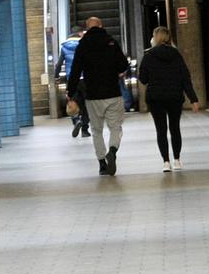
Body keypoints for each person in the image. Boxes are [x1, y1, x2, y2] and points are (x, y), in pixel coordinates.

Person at [67, 17, 130, 175]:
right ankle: (113, 151)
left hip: (93, 95)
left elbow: (75, 70)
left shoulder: (83, 45)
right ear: (101, 26)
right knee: (115, 127)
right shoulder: (111, 42)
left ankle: (102, 163)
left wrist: (70, 92)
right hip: (113, 93)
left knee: (96, 130)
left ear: (87, 28)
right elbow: (123, 65)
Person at [138, 26, 200, 172]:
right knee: (175, 128)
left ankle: (166, 162)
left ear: (155, 38)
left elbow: (143, 79)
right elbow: (185, 78)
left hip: (155, 98)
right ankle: (177, 160)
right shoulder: (176, 54)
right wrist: (193, 99)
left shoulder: (149, 55)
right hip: (174, 96)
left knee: (161, 130)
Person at [54, 27, 90, 138]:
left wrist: (56, 77)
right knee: (85, 105)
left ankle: (76, 120)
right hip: (85, 79)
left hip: (71, 79)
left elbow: (59, 64)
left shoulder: (64, 48)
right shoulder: (84, 45)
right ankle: (85, 130)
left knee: (72, 101)